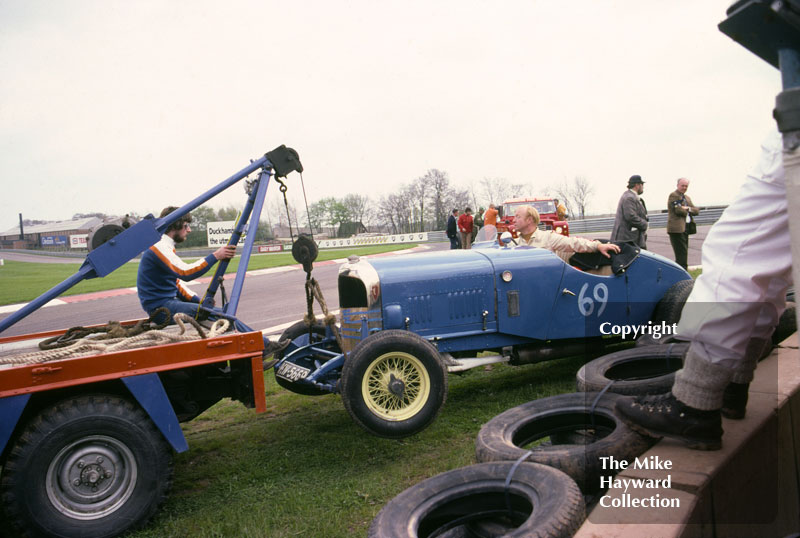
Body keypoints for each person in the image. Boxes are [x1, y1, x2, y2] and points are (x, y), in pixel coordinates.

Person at [616, 128, 792, 451]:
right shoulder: (665, 197)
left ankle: (696, 402)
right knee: (773, 261)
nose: (685, 188)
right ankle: (734, 387)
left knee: (735, 249)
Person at [137, 206, 288, 356]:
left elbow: (176, 283)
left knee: (221, 314)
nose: (188, 230)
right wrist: (215, 256)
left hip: (165, 306)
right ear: (175, 225)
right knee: (224, 316)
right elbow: (186, 273)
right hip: (163, 309)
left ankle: (260, 345)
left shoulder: (164, 246)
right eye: (186, 226)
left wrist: (199, 301)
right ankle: (264, 345)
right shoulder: (159, 246)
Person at [513, 205, 620, 261]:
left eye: (518, 217)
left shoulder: (547, 237)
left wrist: (598, 245)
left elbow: (573, 243)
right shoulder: (512, 244)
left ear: (529, 220)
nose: (513, 220)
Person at [667, 177, 700, 270]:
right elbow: (678, 210)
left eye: (686, 186)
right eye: (683, 185)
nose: (684, 188)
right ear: (678, 185)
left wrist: (688, 208)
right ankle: (682, 272)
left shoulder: (687, 197)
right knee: (681, 254)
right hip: (676, 229)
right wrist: (687, 210)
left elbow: (697, 211)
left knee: (684, 252)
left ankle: (683, 271)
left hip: (686, 228)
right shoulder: (673, 195)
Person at [610, 175, 649, 249]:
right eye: (642, 184)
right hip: (627, 239)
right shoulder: (629, 197)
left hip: (629, 238)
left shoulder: (631, 196)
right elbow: (630, 216)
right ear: (637, 185)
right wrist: (645, 224)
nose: (643, 187)